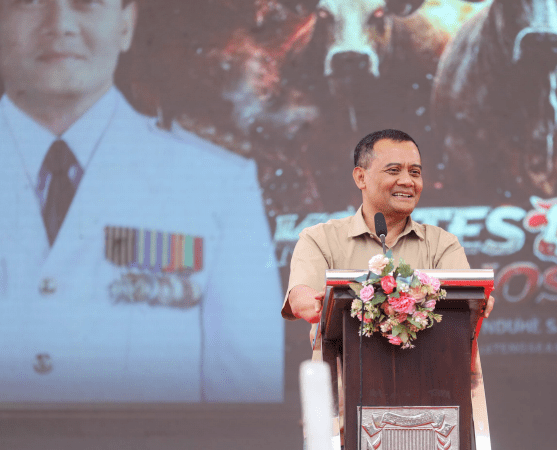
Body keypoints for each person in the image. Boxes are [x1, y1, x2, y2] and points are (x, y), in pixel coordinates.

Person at [0, 0, 283, 402]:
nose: (59, 24)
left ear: (125, 23)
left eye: (85, 3)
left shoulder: (216, 185)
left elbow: (245, 406)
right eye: (30, 1)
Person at [282, 128, 495, 344]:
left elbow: (465, 303)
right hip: (343, 365)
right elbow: (300, 298)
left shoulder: (442, 244)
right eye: (394, 171)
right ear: (361, 177)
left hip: (430, 364)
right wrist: (319, 303)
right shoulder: (320, 238)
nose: (408, 181)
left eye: (415, 172)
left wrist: (477, 302)